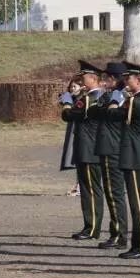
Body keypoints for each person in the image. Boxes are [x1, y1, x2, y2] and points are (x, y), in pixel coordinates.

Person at [103, 61, 140, 259]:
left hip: (134, 156)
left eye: (129, 78)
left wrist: (115, 101)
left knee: (139, 205)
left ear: (139, 80)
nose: (125, 82)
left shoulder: (136, 101)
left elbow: (112, 114)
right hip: (138, 154)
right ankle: (139, 245)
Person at [59, 61, 107, 241]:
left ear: (93, 78)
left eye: (84, 77)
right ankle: (90, 225)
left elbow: (68, 115)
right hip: (88, 146)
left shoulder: (90, 98)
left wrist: (66, 102)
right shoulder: (92, 96)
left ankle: (92, 227)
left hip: (88, 148)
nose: (81, 79)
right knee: (88, 188)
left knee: (90, 189)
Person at [92, 62, 129, 249]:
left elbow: (103, 111)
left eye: (107, 78)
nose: (105, 82)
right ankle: (117, 232)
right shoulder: (111, 95)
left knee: (114, 193)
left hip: (112, 147)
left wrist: (107, 103)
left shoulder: (121, 96)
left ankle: (119, 234)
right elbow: (94, 110)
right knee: (111, 192)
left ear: (114, 79)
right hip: (109, 146)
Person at [64, 77, 84, 198]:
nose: (72, 89)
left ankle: (80, 187)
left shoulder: (83, 100)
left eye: (75, 86)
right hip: (73, 130)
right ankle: (78, 185)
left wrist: (68, 103)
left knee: (81, 160)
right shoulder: (74, 99)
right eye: (71, 86)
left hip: (81, 132)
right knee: (77, 160)